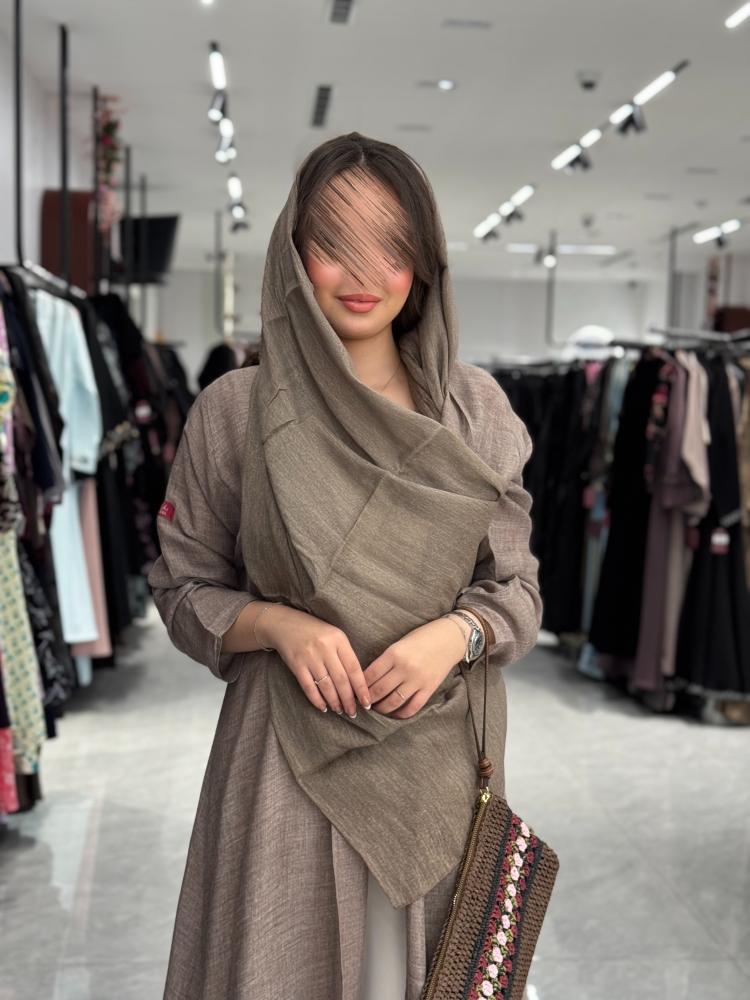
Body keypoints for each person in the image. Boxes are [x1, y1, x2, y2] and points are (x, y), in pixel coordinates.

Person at [148, 131, 541, 1000]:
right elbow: (180, 585)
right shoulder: (237, 410)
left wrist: (457, 634)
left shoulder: (474, 410)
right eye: (333, 243)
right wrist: (274, 624)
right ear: (294, 255)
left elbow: (516, 587)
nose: (363, 273)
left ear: (424, 263)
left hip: (438, 767)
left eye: (391, 246)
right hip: (284, 762)